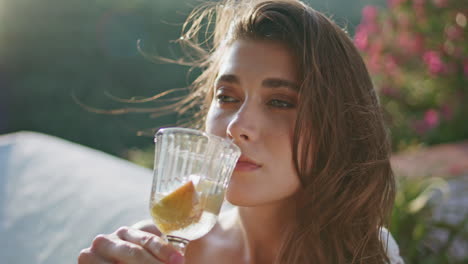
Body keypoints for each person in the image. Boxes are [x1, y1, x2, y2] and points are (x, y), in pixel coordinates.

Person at [78, 0, 404, 263]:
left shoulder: (365, 255)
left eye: (279, 102)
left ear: (337, 127)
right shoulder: (164, 251)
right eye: (227, 97)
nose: (236, 127)